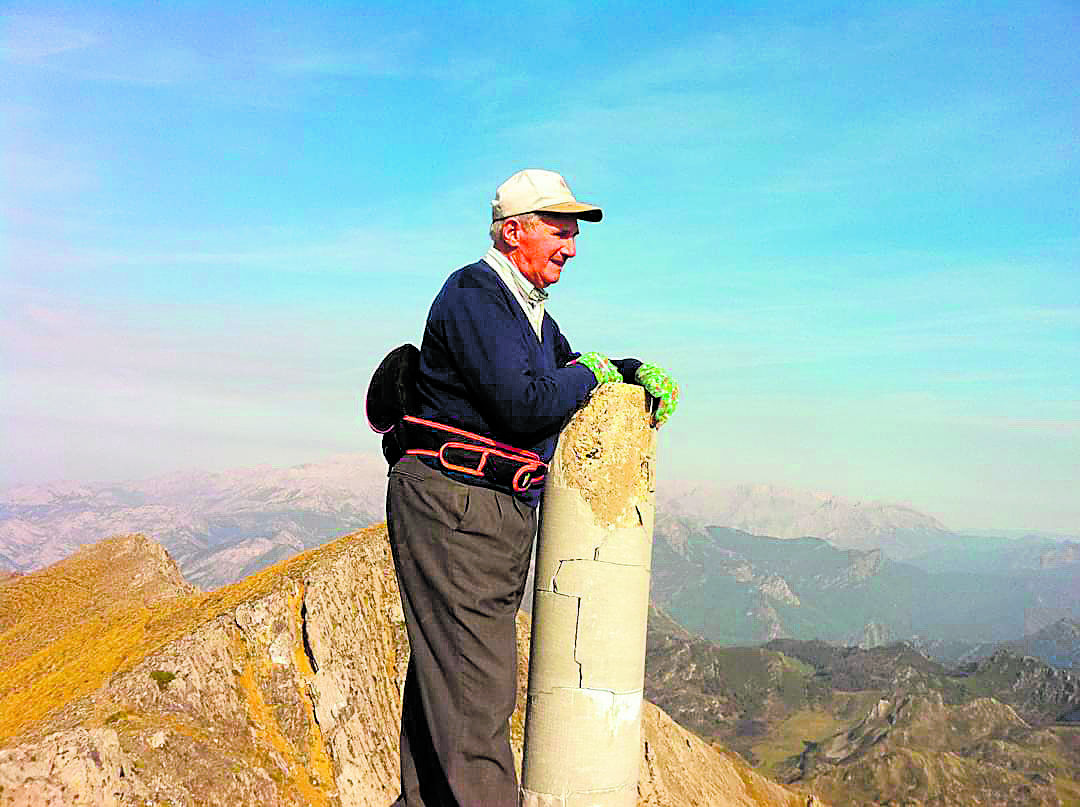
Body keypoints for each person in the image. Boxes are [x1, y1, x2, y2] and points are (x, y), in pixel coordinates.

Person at [385, 169, 678, 806]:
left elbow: (568, 368)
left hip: (484, 511)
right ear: (513, 232)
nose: (571, 246)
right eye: (560, 229)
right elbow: (526, 404)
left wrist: (626, 372)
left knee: (450, 688)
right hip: (456, 505)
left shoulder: (529, 315)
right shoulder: (475, 296)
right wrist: (591, 375)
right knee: (476, 698)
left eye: (574, 233)